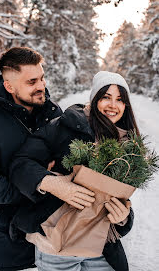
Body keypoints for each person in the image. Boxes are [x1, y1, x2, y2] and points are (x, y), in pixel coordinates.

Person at [0, 47, 91, 271]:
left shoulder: (53, 113)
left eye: (42, 78)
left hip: (53, 235)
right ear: (9, 86)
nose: (41, 86)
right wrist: (42, 184)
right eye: (32, 81)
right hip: (9, 242)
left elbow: (66, 165)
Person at [9, 71, 138, 271]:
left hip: (101, 248)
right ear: (94, 98)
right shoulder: (62, 126)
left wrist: (123, 218)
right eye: (106, 97)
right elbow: (20, 164)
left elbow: (120, 198)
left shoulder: (127, 144)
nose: (113, 105)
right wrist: (51, 183)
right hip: (56, 245)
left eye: (120, 100)